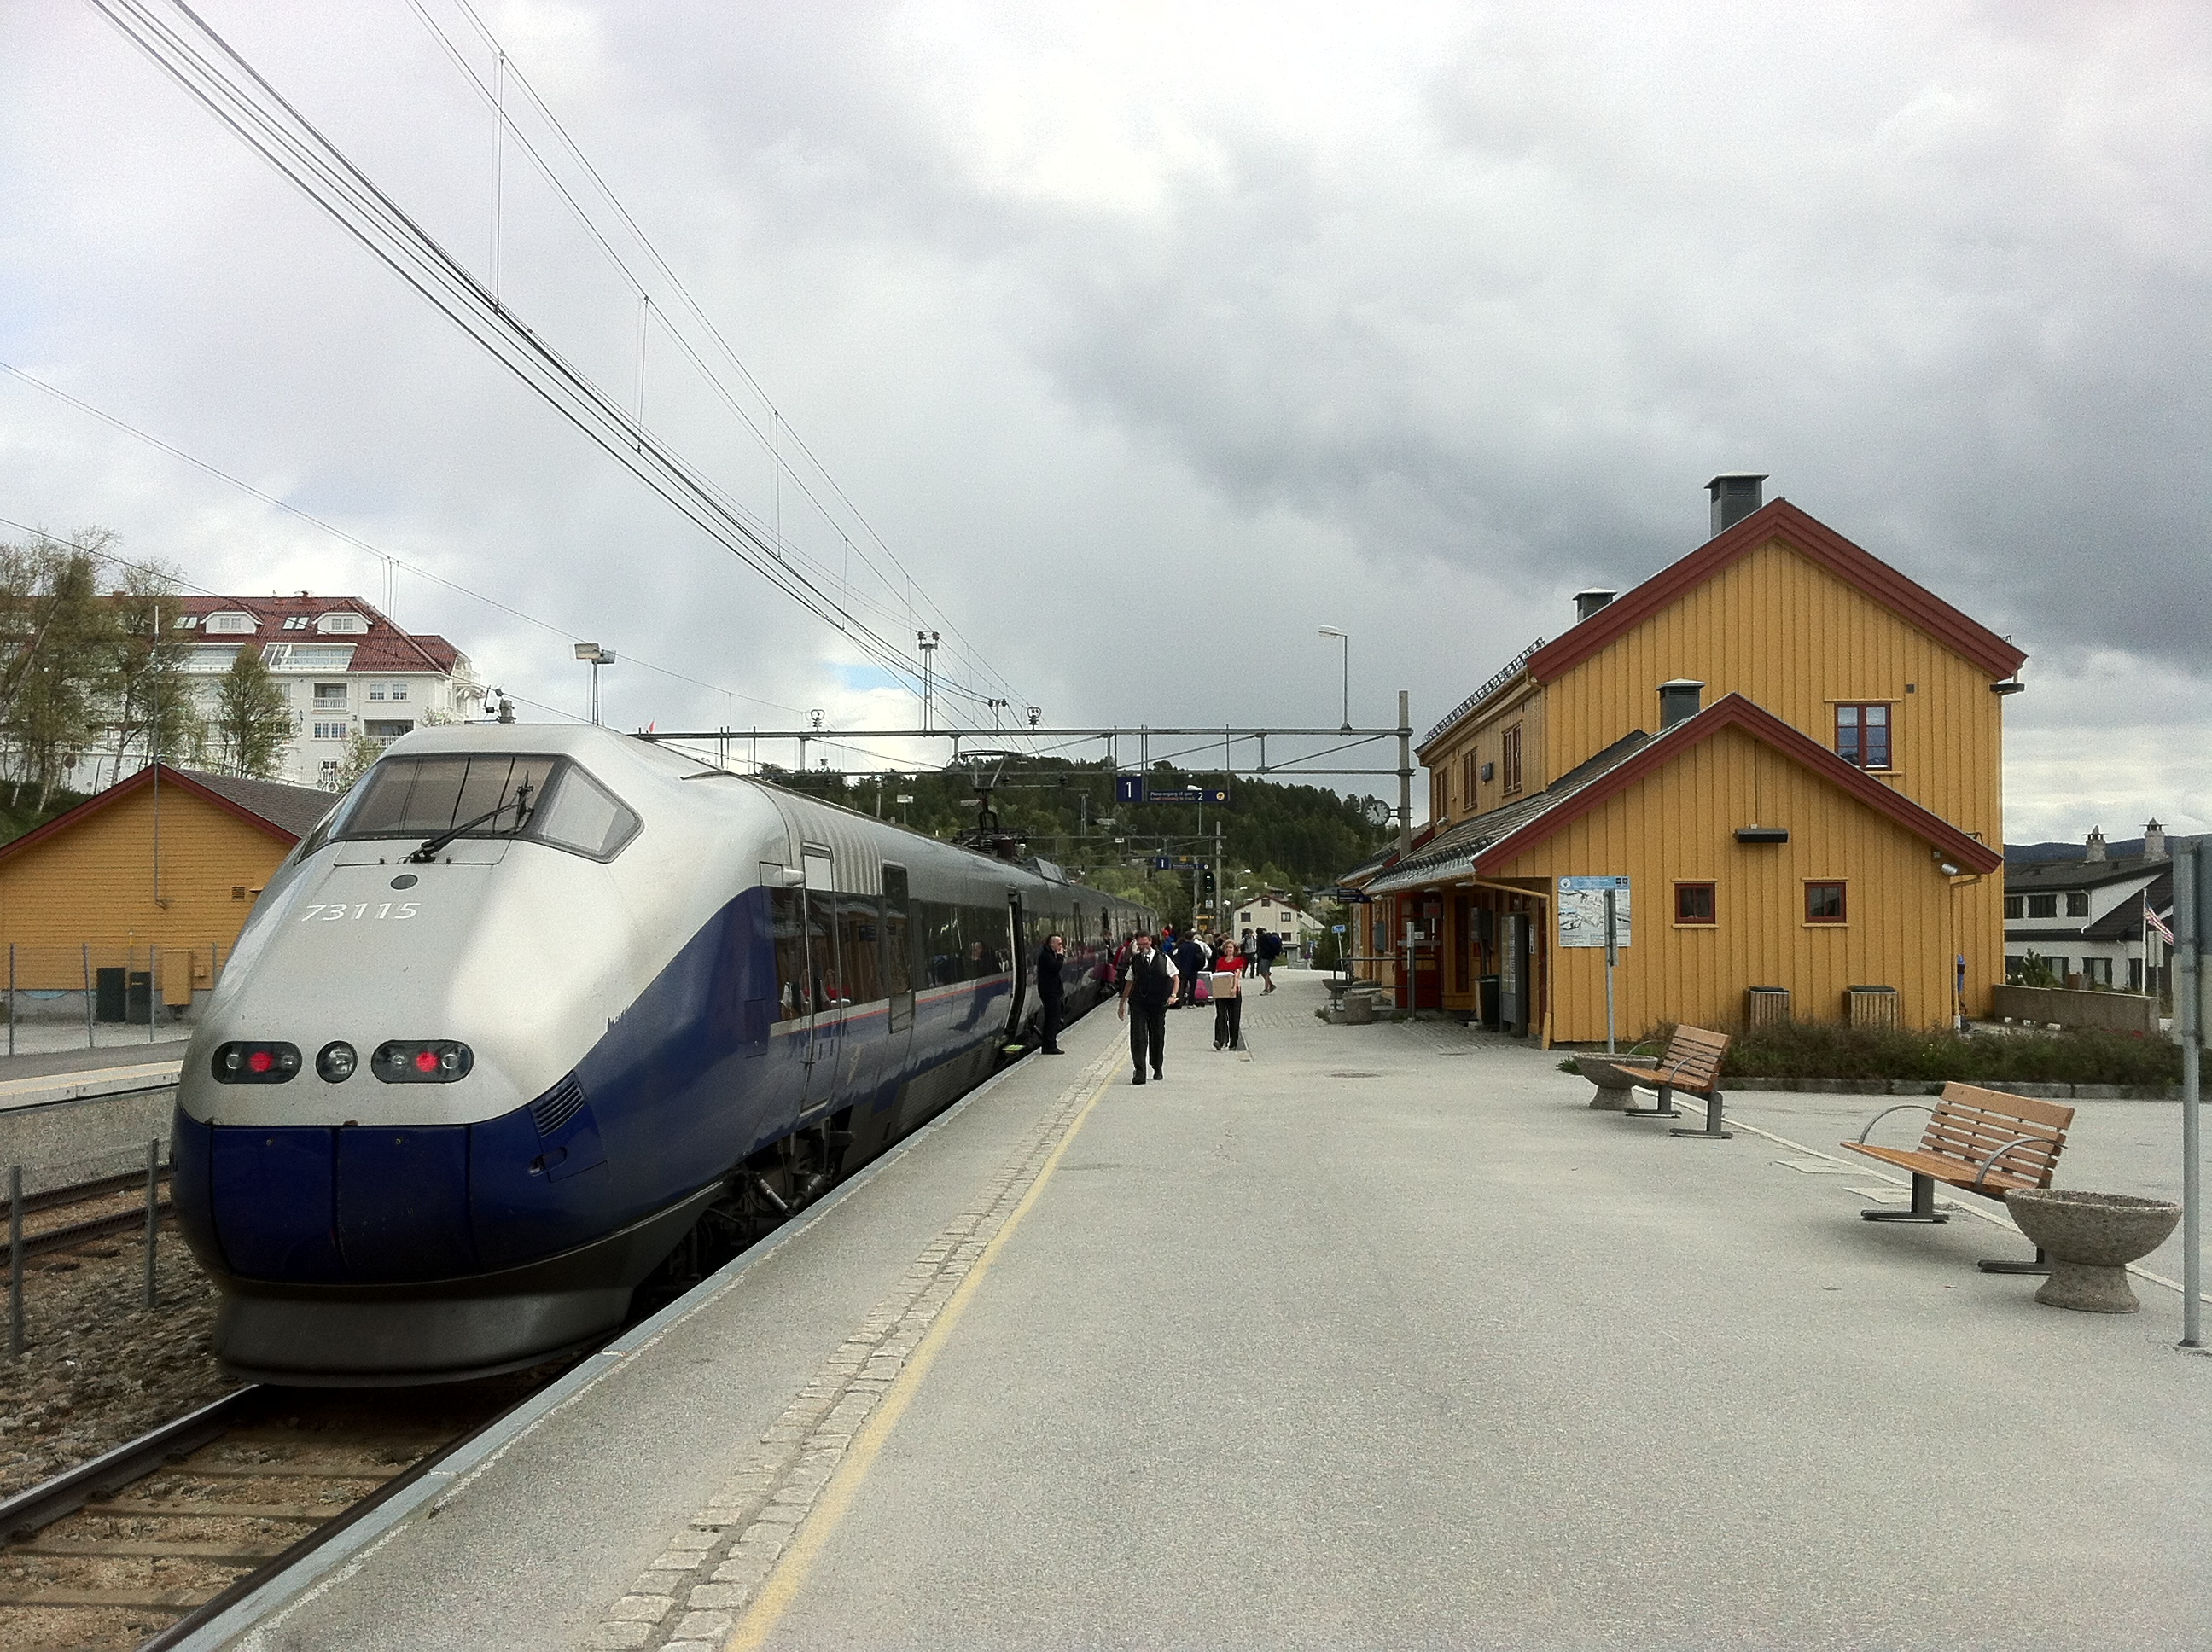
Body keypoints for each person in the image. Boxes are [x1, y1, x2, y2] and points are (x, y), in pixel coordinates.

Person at [1118, 932, 1177, 1083]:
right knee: (1138, 1036)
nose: (1143, 947)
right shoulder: (1135, 961)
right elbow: (1129, 981)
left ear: (1151, 942)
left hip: (1158, 1003)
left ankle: (1157, 1067)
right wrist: (1123, 1002)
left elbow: (1176, 978)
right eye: (1140, 945)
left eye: (1145, 944)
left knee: (1157, 1035)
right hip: (1139, 1002)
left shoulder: (1163, 959)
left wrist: (1173, 995)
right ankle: (1139, 1071)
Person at [1210, 945, 1248, 1050]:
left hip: (1234, 991)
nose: (1229, 950)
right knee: (1220, 1015)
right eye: (1227, 948)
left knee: (1234, 1017)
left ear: (1235, 950)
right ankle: (1220, 1040)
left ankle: (1233, 1042)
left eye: (1231, 948)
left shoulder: (1239, 960)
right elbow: (1217, 974)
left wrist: (1234, 987)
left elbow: (1237, 974)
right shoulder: (1220, 961)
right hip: (1221, 992)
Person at [1035, 933, 1067, 1055]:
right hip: (1050, 991)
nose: (1061, 946)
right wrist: (1060, 956)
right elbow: (1055, 968)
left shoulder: (1047, 954)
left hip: (1051, 991)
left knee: (1053, 1017)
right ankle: (1050, 1046)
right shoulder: (1046, 955)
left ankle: (1050, 1044)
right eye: (1059, 943)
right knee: (1052, 1018)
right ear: (1052, 943)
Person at [1256, 927, 1281, 993]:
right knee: (1262, 972)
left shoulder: (1264, 939)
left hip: (1266, 957)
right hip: (1265, 957)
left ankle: (1266, 989)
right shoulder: (1264, 938)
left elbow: (1265, 948)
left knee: (1265, 972)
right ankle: (1271, 985)